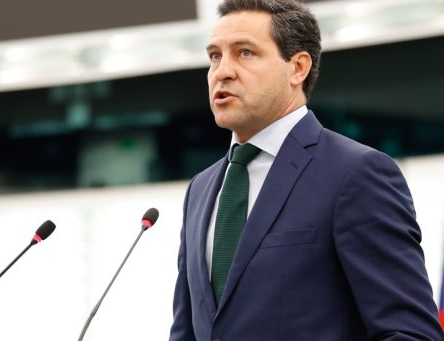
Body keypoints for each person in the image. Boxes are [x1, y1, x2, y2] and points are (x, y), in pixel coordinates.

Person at [169, 0, 444, 340]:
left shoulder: (356, 173)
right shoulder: (200, 188)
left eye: (245, 53)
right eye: (214, 55)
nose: (222, 71)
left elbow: (409, 333)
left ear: (297, 68)